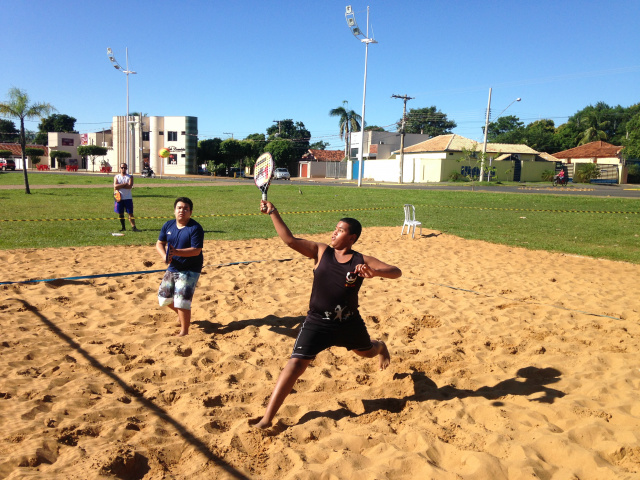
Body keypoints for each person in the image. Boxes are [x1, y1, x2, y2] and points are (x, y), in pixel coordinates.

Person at [252, 200, 402, 429]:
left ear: (352, 238)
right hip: (317, 322)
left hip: (348, 322)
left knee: (366, 353)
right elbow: (290, 240)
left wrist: (375, 272)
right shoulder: (321, 251)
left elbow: (396, 272)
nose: (334, 233)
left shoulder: (361, 260)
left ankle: (380, 346)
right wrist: (273, 212)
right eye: (335, 228)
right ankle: (267, 418)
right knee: (295, 365)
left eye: (341, 230)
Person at [155, 197, 205, 336]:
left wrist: (175, 252)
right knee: (163, 298)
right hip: (173, 266)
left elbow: (196, 250)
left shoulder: (195, 228)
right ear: (174, 210)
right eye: (179, 208)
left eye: (185, 208)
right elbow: (159, 243)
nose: (182, 211)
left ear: (191, 212)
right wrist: (164, 256)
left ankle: (184, 331)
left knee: (182, 301)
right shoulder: (168, 225)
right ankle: (183, 315)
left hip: (190, 268)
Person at [113, 163, 139, 232]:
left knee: (130, 213)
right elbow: (115, 186)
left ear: (127, 168)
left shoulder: (130, 177)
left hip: (128, 198)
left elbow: (130, 186)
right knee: (120, 213)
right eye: (122, 167)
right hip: (119, 198)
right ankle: (123, 227)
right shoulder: (116, 177)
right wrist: (124, 184)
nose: (123, 169)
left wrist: (120, 185)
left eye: (125, 168)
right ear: (120, 168)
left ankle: (134, 227)